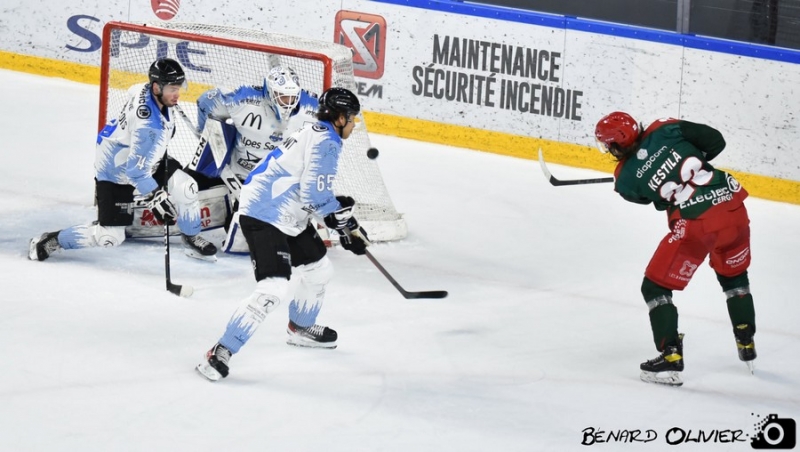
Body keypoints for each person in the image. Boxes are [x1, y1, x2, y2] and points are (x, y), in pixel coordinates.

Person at [195, 87, 370, 382]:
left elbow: (312, 191)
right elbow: (316, 194)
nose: (353, 124)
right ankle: (220, 350)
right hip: (265, 215)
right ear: (340, 118)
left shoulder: (315, 131)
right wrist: (343, 225)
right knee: (273, 289)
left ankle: (300, 328)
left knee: (319, 269)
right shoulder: (326, 141)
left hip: (288, 213)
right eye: (351, 118)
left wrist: (344, 222)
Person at [594, 111, 757, 386]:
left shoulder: (623, 178)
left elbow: (648, 198)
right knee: (734, 276)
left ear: (616, 145)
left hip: (696, 224)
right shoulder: (666, 128)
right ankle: (746, 340)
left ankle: (670, 357)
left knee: (654, 287)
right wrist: (687, 158)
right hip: (733, 207)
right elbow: (716, 141)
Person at [28, 58, 217, 262]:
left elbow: (133, 90)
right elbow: (135, 172)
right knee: (109, 237)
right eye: (172, 88)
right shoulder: (149, 128)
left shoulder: (145, 91)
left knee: (187, 186)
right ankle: (52, 240)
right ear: (156, 87)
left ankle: (190, 237)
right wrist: (156, 198)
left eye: (178, 87)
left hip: (145, 159)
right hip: (116, 172)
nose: (177, 94)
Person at [188, 66, 320, 254]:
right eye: (282, 96)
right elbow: (205, 102)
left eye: (292, 97)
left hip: (271, 185)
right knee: (186, 188)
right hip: (236, 171)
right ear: (269, 92)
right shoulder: (245, 99)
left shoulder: (312, 108)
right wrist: (207, 135)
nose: (287, 103)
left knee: (252, 240)